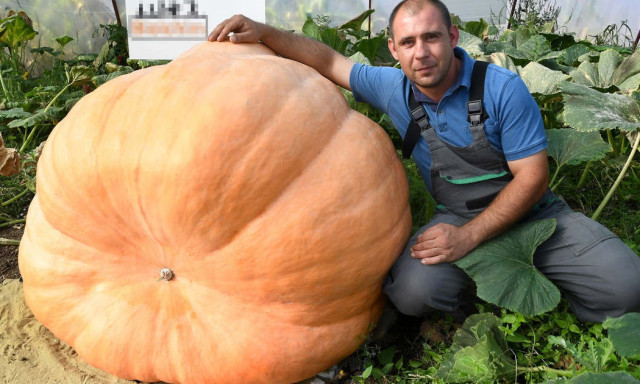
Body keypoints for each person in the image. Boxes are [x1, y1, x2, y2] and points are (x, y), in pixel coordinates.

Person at [208, 0, 640, 323]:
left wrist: (468, 240)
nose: (422, 52)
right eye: (409, 42)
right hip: (456, 217)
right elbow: (328, 59)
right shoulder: (391, 86)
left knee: (629, 288)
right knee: (413, 294)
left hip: (537, 218)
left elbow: (532, 179)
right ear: (394, 50)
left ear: (452, 38)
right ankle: (497, 284)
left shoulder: (503, 89)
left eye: (431, 37)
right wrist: (265, 31)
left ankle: (531, 279)